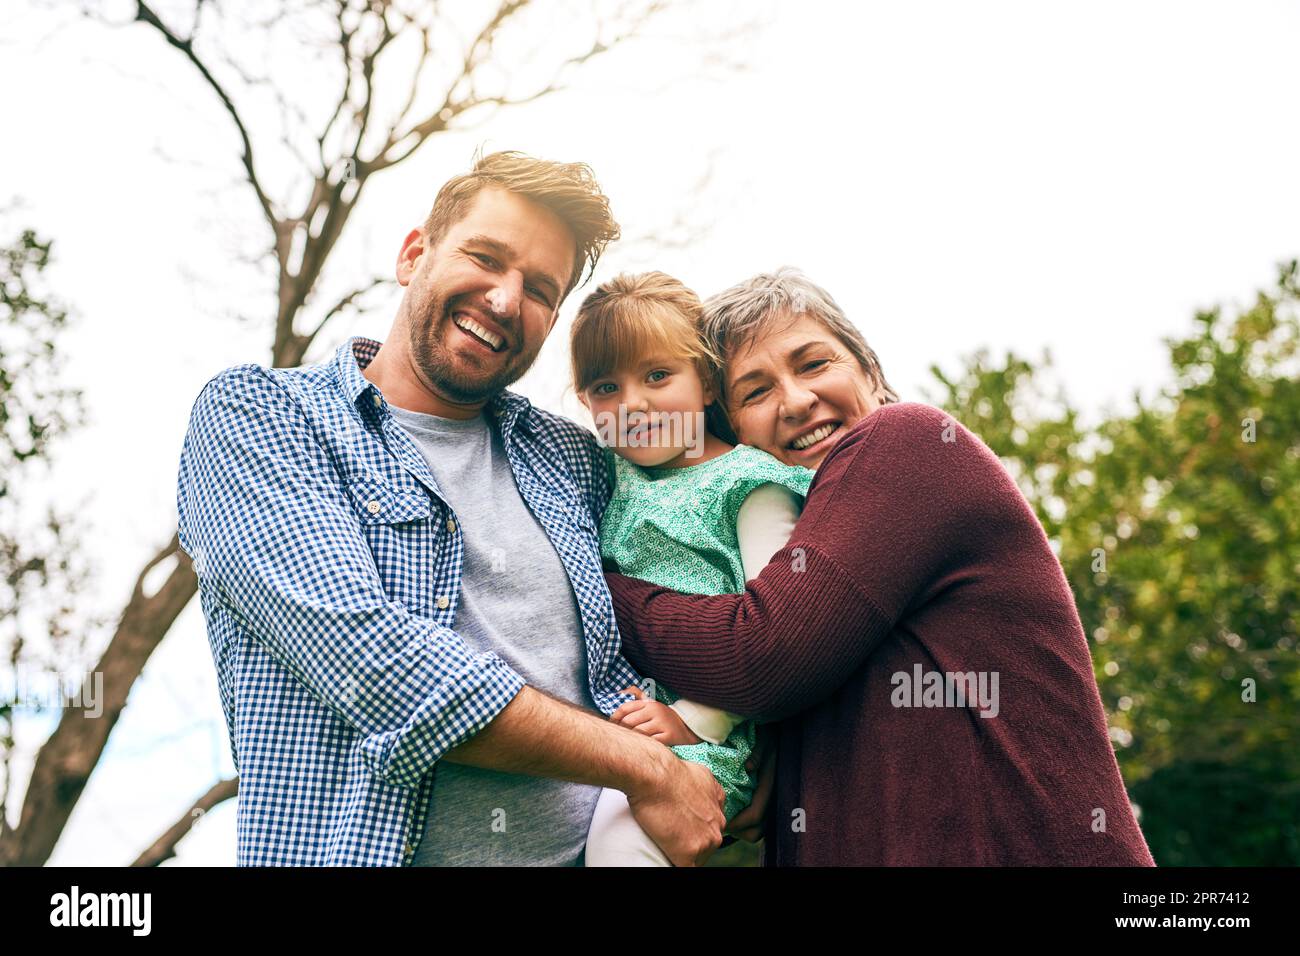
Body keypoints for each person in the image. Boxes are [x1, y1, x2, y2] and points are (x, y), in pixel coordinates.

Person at [176, 150, 729, 866]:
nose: (503, 300)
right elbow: (375, 662)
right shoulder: (264, 417)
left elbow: (707, 559)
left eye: (537, 288)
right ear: (414, 255)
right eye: (486, 257)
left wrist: (726, 762)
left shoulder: (574, 460)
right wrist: (650, 769)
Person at [605, 267, 1158, 866]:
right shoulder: (787, 555)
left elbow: (761, 656)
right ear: (730, 431)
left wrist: (591, 582)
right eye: (755, 391)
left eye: (814, 364)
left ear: (869, 369)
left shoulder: (907, 443)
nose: (795, 401)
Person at [566, 272, 814, 865]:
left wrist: (695, 721)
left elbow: (777, 630)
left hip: (716, 735)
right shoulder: (610, 478)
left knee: (618, 844)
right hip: (624, 720)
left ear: (705, 380)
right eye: (606, 386)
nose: (633, 403)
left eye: (657, 375)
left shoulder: (748, 484)